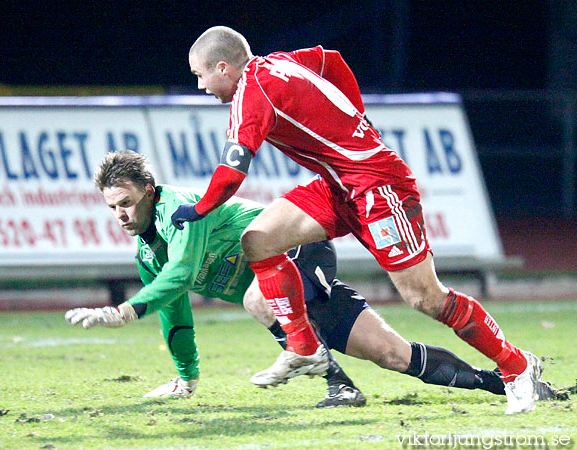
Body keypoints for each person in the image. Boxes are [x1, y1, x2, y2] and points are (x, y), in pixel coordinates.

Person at [170, 26, 547, 414]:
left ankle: (517, 367)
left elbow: (231, 173)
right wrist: (354, 116)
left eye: (200, 76)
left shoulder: (251, 95)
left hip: (378, 188)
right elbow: (329, 58)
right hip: (337, 186)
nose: (200, 86)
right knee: (259, 239)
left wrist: (197, 210)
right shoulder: (280, 62)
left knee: (425, 297)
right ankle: (304, 348)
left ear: (223, 67)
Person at [64, 151, 553, 406]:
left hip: (298, 250)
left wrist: (126, 309)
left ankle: (333, 381)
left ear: (149, 191)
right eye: (112, 208)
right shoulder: (144, 250)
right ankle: (507, 382)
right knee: (391, 354)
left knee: (259, 296)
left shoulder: (180, 213)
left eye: (126, 203)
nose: (120, 215)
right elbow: (175, 310)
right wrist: (187, 378)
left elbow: (182, 273)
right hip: (289, 296)